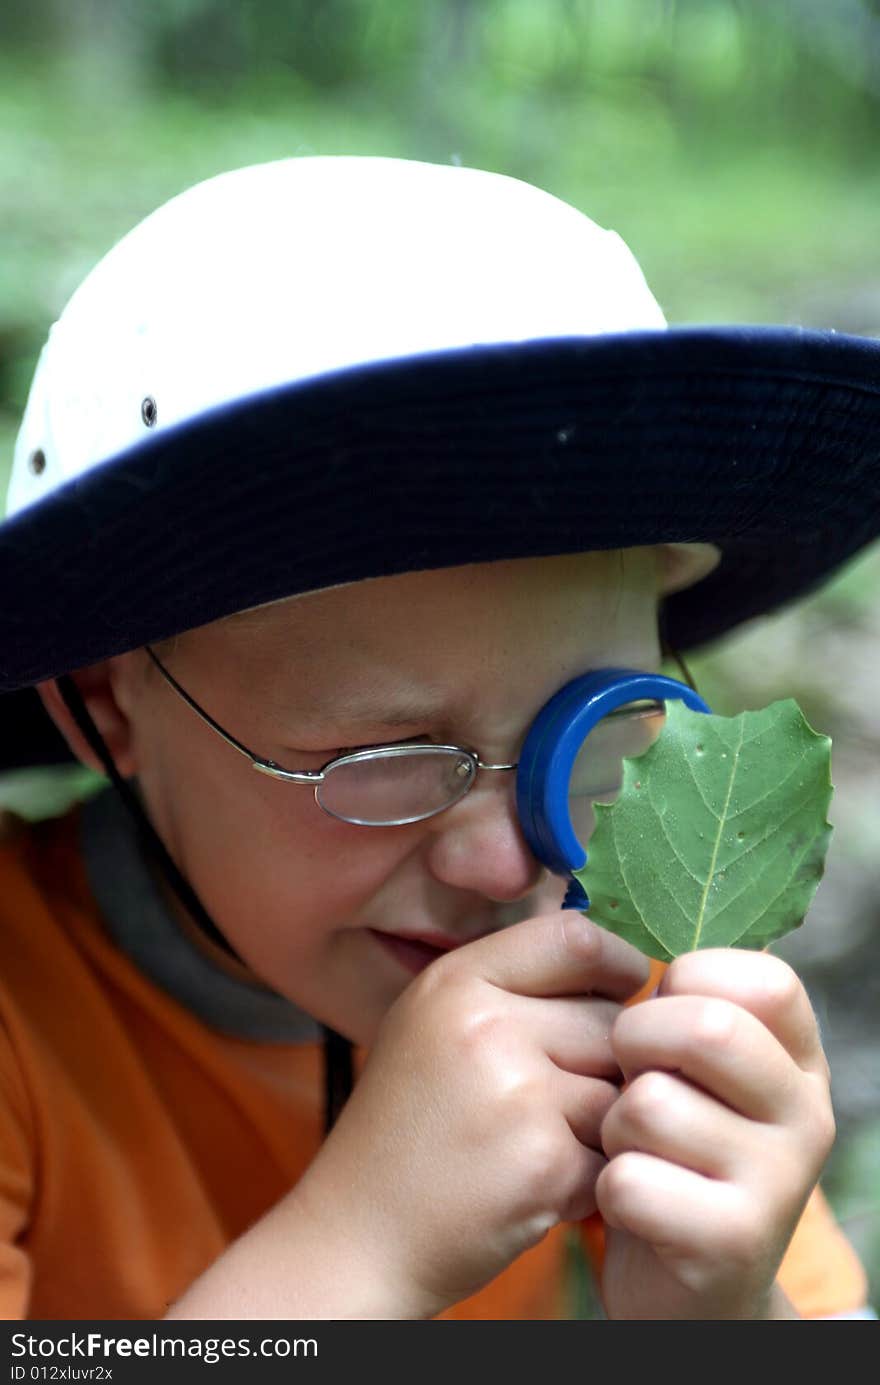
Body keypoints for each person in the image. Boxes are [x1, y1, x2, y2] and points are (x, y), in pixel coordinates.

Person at [0, 156, 877, 1321]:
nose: (509, 863)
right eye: (389, 754)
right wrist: (358, 1251)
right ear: (108, 702)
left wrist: (718, 1317)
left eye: (594, 728)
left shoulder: (627, 989)